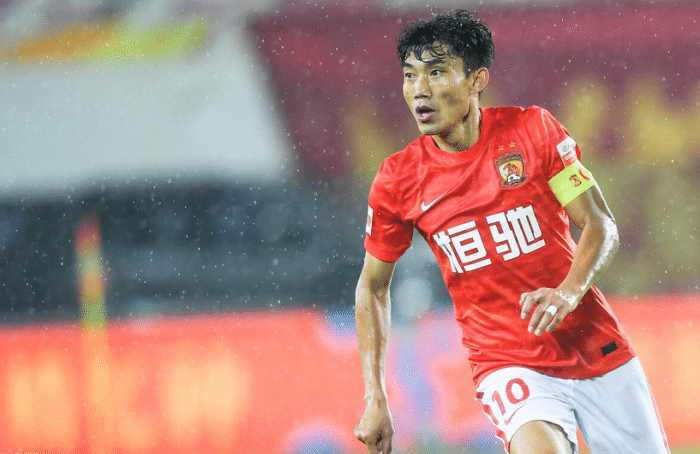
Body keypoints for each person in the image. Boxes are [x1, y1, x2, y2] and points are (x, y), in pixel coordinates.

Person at [353, 9, 669, 454]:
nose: (419, 89)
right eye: (410, 75)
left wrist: (568, 293)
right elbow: (372, 287)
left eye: (436, 72)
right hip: (507, 362)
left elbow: (600, 224)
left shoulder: (533, 132)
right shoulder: (399, 179)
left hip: (596, 347)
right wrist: (375, 397)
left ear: (477, 80)